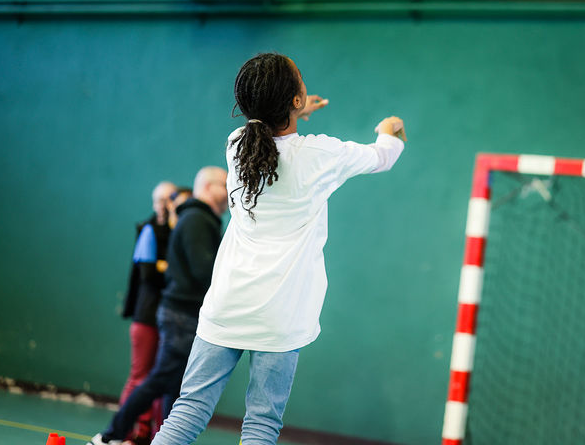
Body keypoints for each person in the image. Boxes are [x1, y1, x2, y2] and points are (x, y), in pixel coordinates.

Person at [149, 52, 405, 445]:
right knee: (261, 425)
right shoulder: (321, 155)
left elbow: (273, 139)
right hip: (281, 314)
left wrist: (296, 114)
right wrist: (389, 131)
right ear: (295, 101)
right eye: (300, 82)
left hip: (228, 302)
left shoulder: (237, 145)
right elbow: (382, 156)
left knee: (187, 412)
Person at [89, 167, 229, 445]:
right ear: (210, 187)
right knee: (160, 380)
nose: (230, 192)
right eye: (225, 185)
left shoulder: (199, 219)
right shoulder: (197, 220)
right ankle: (110, 436)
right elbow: (204, 271)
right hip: (181, 316)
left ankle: (159, 439)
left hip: (184, 314)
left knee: (173, 386)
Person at [119, 181, 177, 444]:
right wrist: (168, 268)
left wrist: (166, 266)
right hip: (146, 318)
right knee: (139, 377)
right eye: (160, 200)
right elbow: (149, 274)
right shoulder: (148, 231)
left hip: (169, 319)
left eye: (170, 199)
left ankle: (156, 435)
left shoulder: (180, 230)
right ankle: (127, 431)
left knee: (161, 381)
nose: (165, 205)